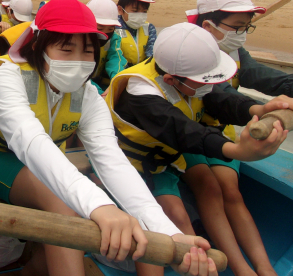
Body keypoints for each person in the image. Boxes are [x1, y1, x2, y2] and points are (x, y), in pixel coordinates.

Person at [0, 0, 217, 276]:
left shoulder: (89, 94)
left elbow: (111, 159)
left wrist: (166, 231)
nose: (79, 62)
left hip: (42, 163)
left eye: (87, 51)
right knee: (64, 206)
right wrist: (100, 206)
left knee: (78, 208)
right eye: (66, 49)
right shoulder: (8, 78)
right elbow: (31, 142)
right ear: (37, 46)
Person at [105, 22, 290, 276]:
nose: (208, 85)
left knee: (185, 214)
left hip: (162, 165)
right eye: (202, 81)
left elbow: (219, 99)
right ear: (170, 79)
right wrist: (239, 151)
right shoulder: (141, 92)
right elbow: (185, 131)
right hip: (128, 167)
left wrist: (258, 110)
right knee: (164, 226)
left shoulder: (185, 78)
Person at [183, 0, 292, 276]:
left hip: (221, 132)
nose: (242, 34)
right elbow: (218, 97)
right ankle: (241, 268)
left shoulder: (235, 50)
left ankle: (264, 267)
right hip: (187, 133)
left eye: (246, 27)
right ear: (208, 25)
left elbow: (261, 76)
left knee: (231, 190)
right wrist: (258, 109)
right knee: (209, 187)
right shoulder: (185, 50)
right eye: (237, 27)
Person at [86, 0, 127, 93]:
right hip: (83, 83)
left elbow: (116, 58)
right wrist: (98, 93)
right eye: (100, 29)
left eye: (110, 29)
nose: (105, 34)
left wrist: (117, 81)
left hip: (99, 81)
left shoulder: (114, 38)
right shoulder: (79, 40)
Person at [116, 0, 157, 67]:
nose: (140, 15)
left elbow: (151, 53)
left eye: (144, 11)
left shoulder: (149, 28)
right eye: (135, 11)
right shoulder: (113, 28)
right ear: (120, 10)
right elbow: (115, 56)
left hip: (142, 72)